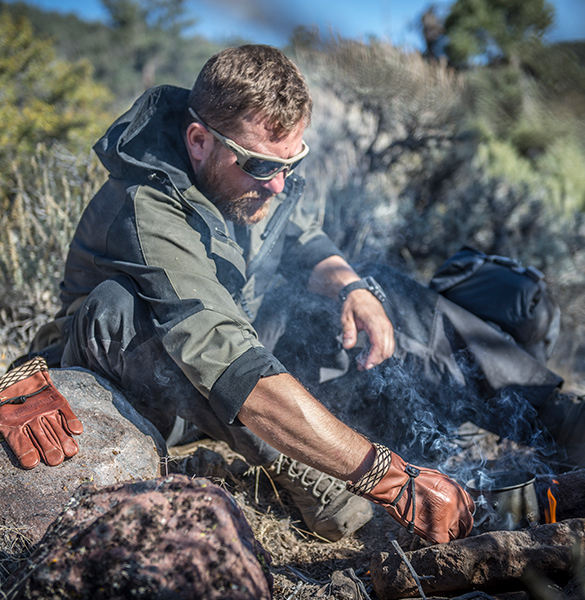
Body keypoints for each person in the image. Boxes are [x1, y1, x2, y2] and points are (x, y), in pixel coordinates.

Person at [24, 44, 581, 542]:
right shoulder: (147, 207)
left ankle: (557, 414)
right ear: (199, 141)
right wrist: (392, 481)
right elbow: (224, 354)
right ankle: (341, 494)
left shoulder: (256, 177)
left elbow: (302, 236)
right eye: (262, 164)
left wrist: (352, 288)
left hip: (238, 337)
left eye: (292, 163)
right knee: (122, 307)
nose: (278, 183)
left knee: (380, 284)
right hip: (148, 380)